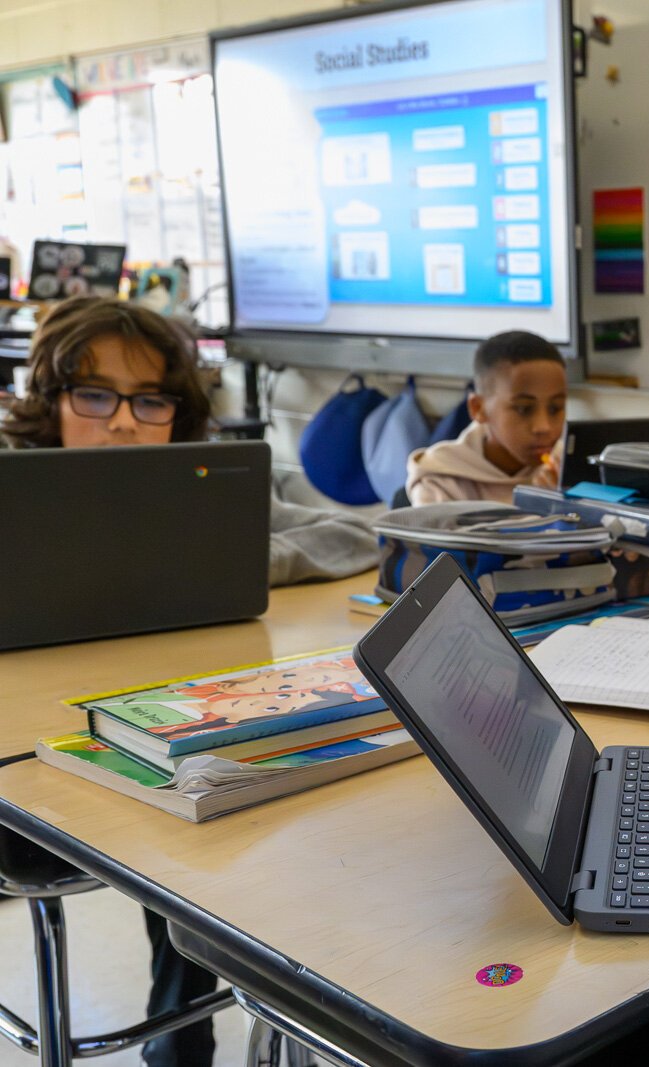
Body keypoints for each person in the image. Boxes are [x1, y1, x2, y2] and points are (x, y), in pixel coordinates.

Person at [0, 294, 380, 1067]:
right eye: (94, 394)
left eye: (150, 401)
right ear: (51, 401)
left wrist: (225, 556)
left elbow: (346, 532)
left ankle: (182, 1040)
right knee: (189, 824)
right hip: (30, 787)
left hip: (156, 759)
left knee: (215, 806)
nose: (123, 422)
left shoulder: (195, 492)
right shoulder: (14, 494)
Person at [406, 329, 566, 504]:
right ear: (478, 408)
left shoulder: (566, 467)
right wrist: (544, 510)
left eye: (555, 408)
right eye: (524, 409)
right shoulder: (441, 481)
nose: (544, 427)